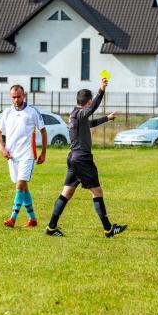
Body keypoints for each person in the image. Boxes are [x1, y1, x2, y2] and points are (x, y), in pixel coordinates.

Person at [45, 78, 126, 237]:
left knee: (67, 192)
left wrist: (106, 118)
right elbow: (95, 106)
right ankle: (108, 229)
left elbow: (89, 123)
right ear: (88, 102)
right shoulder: (82, 112)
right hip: (82, 159)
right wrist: (101, 90)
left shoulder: (74, 114)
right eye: (90, 103)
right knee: (97, 192)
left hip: (73, 158)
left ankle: (51, 228)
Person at [0, 85, 47, 228]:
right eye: (14, 97)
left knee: (20, 184)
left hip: (27, 155)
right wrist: (2, 148)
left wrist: (43, 152)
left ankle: (12, 218)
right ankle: (33, 219)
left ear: (24, 96)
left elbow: (43, 131)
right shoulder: (7, 112)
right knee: (23, 188)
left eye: (19, 96)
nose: (16, 99)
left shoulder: (32, 112)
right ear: (10, 97)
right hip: (12, 156)